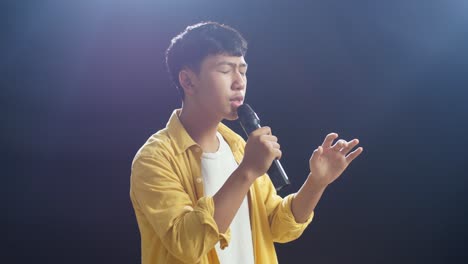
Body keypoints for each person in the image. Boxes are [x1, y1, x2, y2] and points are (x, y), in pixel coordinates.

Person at [129, 21, 363, 264]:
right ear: (188, 81)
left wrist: (316, 183)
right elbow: (188, 244)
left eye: (242, 70)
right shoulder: (155, 159)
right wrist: (247, 170)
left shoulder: (238, 146)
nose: (239, 81)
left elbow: (275, 226)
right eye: (225, 69)